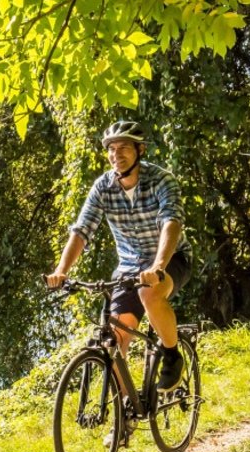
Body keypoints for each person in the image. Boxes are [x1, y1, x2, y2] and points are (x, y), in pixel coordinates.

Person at [44, 120, 191, 389]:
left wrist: (158, 266)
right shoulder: (103, 187)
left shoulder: (161, 180)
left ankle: (171, 355)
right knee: (114, 340)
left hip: (170, 259)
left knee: (149, 293)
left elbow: (172, 222)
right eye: (112, 149)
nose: (116, 154)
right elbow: (81, 230)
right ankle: (127, 412)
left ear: (140, 150)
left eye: (124, 147)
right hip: (129, 267)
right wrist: (61, 270)